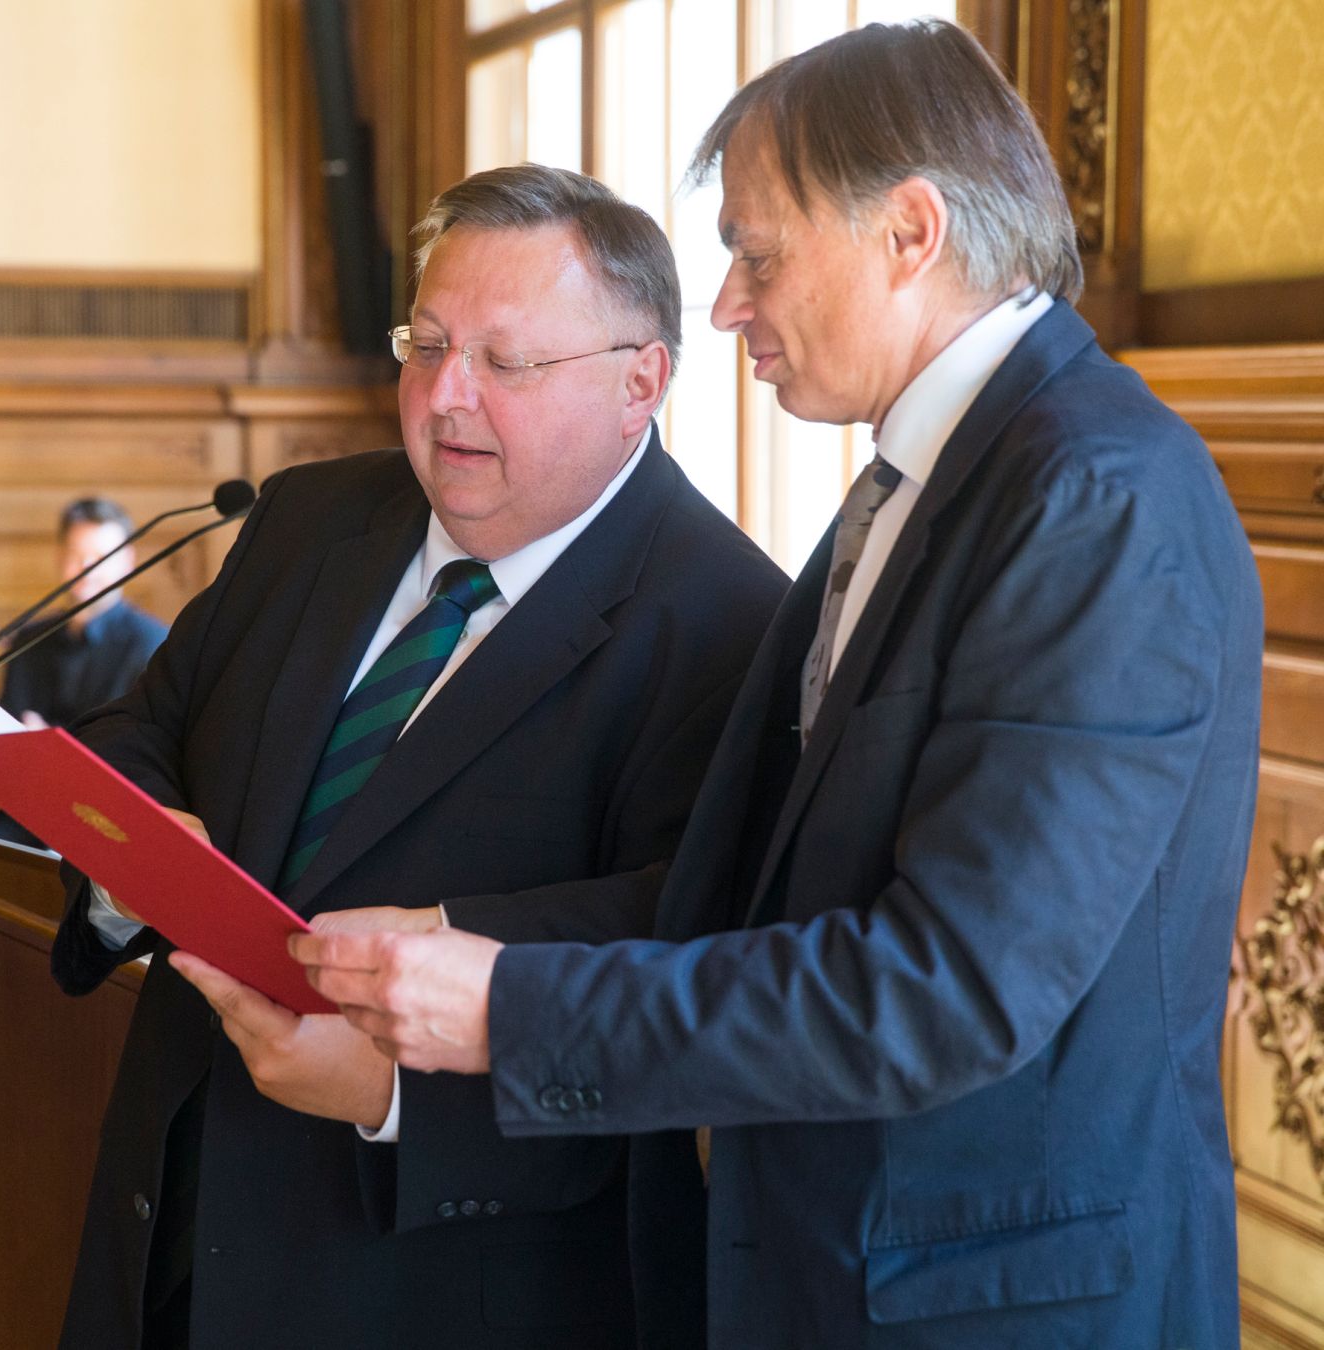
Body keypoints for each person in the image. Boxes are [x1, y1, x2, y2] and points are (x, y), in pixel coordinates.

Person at [294, 21, 1262, 1349]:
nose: (731, 303)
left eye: (757, 252)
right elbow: (762, 885)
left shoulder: (1094, 495)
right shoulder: (929, 481)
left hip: (995, 1306)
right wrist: (461, 937)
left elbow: (952, 987)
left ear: (909, 233)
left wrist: (513, 1007)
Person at [49, 164, 787, 1349]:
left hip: (436, 1282)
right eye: (427, 344)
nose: (445, 398)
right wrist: (127, 855)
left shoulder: (728, 625)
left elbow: (676, 971)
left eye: (505, 362)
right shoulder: (306, 519)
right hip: (169, 1235)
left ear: (638, 381)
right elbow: (149, 724)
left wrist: (392, 1093)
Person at [0, 497, 168, 847]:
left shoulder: (152, 644)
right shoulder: (31, 638)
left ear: (128, 562)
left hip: (106, 829)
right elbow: (5, 743)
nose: (87, 570)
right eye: (76, 556)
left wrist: (52, 747)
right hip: (27, 818)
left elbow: (139, 760)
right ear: (59, 559)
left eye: (100, 559)